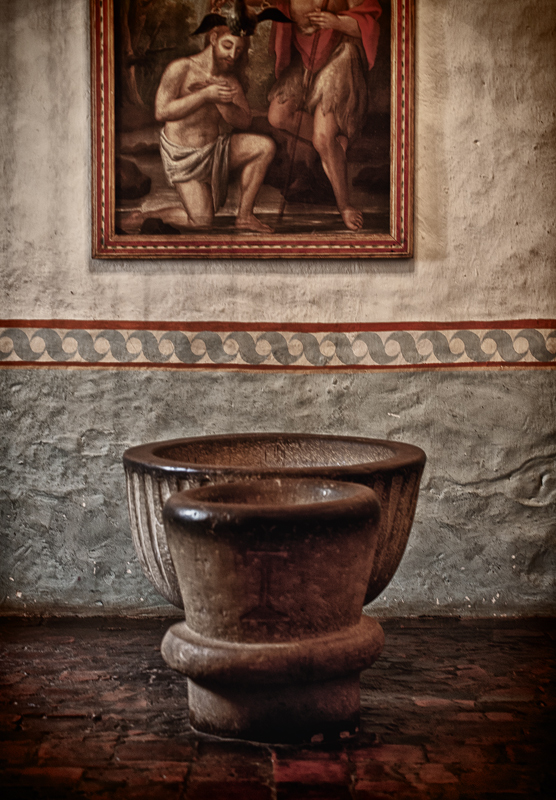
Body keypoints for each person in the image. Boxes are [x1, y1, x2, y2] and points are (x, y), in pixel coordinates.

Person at [263, 0, 381, 231]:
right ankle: (333, 144)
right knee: (277, 116)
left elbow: (369, 25)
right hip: (306, 56)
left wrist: (336, 22)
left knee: (322, 138)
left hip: (340, 54)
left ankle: (344, 205)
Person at [154, 25, 276, 232]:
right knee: (201, 221)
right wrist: (204, 95)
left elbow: (244, 121)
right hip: (184, 159)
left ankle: (245, 216)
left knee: (264, 146)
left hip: (215, 152)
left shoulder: (229, 80)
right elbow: (161, 112)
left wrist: (221, 101)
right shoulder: (181, 68)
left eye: (238, 50)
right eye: (227, 46)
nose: (232, 55)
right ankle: (145, 216)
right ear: (213, 39)